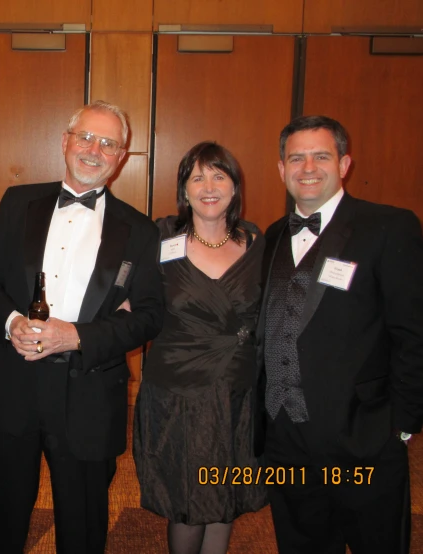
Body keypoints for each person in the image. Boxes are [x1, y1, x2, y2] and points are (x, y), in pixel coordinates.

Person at [0, 100, 164, 553]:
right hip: (13, 386)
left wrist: (77, 336)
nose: (95, 150)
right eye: (86, 137)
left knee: (82, 528)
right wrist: (12, 321)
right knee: (6, 517)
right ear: (65, 142)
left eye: (109, 143)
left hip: (90, 396)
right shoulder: (18, 202)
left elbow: (151, 315)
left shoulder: (140, 231)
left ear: (121, 157)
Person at [256, 115, 423, 553]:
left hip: (364, 435)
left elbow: (413, 331)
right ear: (281, 168)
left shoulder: (388, 227)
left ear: (344, 163)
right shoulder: (272, 236)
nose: (307, 167)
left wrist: (402, 424)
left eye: (321, 156)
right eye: (296, 157)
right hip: (285, 436)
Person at [133, 141, 267, 554]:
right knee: (187, 502)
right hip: (177, 395)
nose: (208, 186)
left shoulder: (257, 241)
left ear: (234, 186)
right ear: (184, 190)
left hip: (238, 393)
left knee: (224, 498)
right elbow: (126, 299)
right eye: (197, 177)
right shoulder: (157, 239)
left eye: (219, 175)